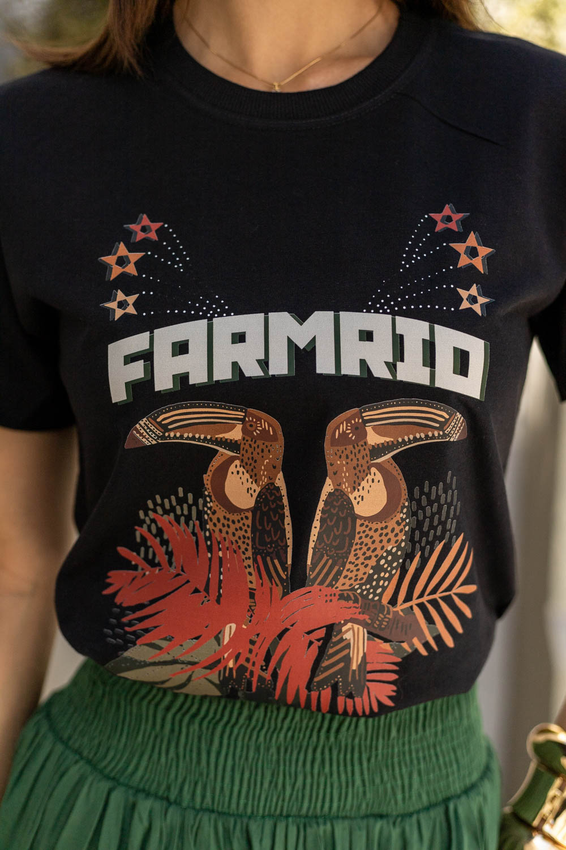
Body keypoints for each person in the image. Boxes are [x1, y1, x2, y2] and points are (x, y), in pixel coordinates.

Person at [0, 0, 566, 847]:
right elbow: (12, 562)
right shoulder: (37, 138)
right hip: (106, 804)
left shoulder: (530, 118)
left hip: (418, 809)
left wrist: (553, 810)